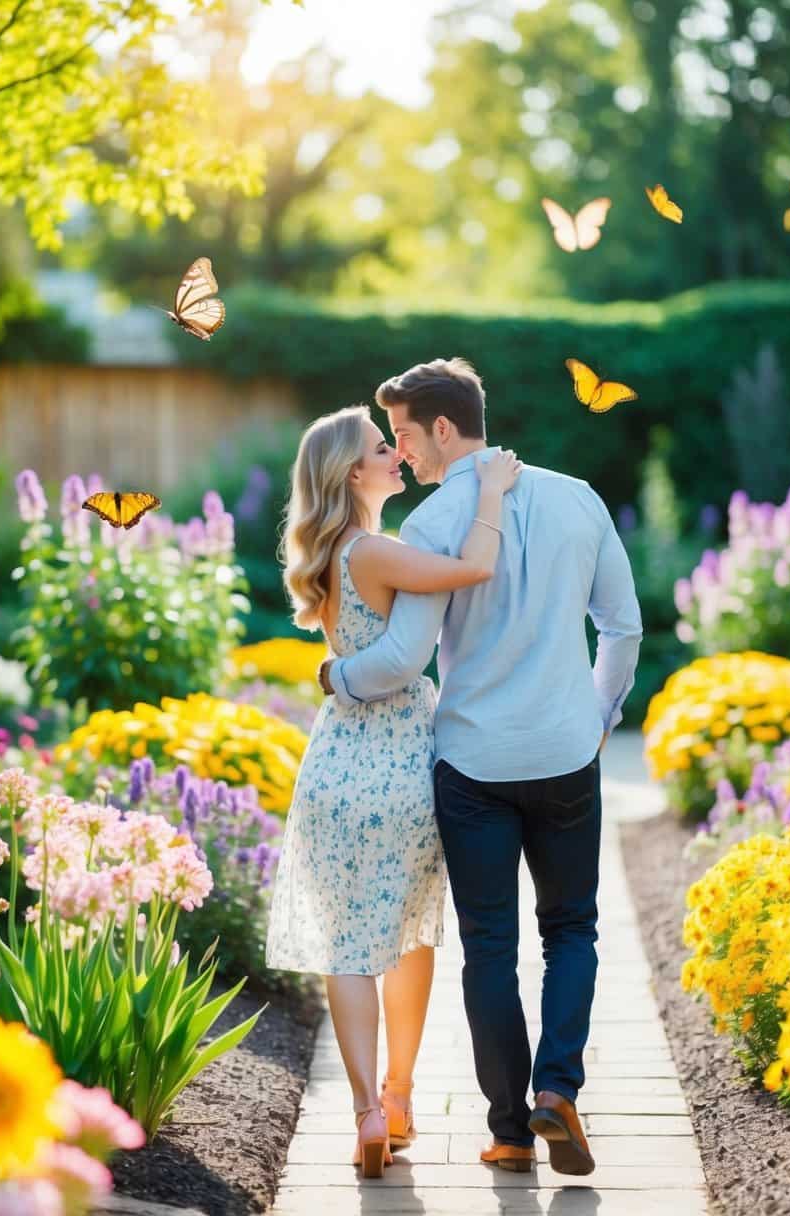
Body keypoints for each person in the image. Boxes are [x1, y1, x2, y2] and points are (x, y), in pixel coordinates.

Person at [319, 357, 642, 1176]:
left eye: (402, 435)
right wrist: (598, 717)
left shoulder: (429, 528)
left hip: (472, 763)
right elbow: (623, 629)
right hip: (566, 753)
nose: (402, 454)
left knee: (488, 944)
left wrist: (334, 676)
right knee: (571, 929)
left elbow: (405, 659)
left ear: (440, 428)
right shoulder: (577, 497)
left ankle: (507, 1131)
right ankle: (557, 1088)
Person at [265, 402, 522, 1179]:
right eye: (384, 448)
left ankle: (367, 1116)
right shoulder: (374, 551)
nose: (397, 455)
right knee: (409, 932)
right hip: (402, 766)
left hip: (335, 763)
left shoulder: (328, 556)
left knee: (350, 947)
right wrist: (490, 492)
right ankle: (401, 1094)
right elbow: (475, 569)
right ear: (354, 471)